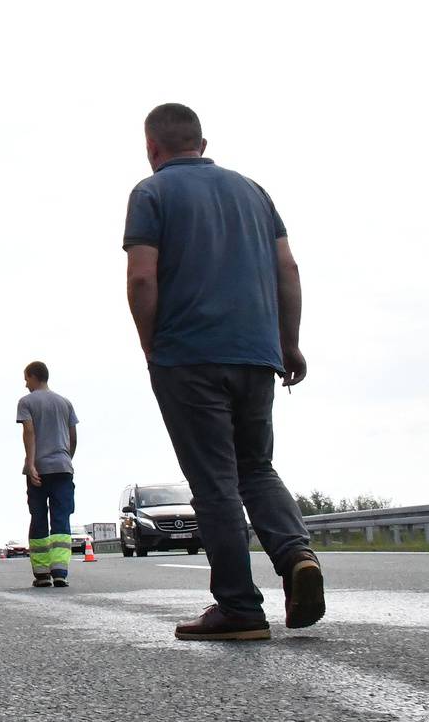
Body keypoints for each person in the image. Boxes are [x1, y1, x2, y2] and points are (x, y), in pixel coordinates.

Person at [123, 103, 324, 642]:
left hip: (188, 355)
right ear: (202, 143)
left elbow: (143, 278)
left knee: (214, 483)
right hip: (257, 353)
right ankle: (297, 555)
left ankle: (239, 608)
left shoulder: (151, 193)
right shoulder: (254, 192)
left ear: (152, 147)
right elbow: (288, 268)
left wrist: (151, 346)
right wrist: (289, 343)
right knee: (256, 467)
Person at [16, 360, 79, 588]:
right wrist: (66, 459)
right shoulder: (65, 403)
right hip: (63, 467)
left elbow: (29, 432)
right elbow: (73, 437)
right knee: (61, 518)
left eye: (26, 379)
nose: (25, 384)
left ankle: (42, 573)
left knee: (39, 517)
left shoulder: (26, 402)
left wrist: (31, 464)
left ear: (34, 376)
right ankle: (60, 571)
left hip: (39, 469)